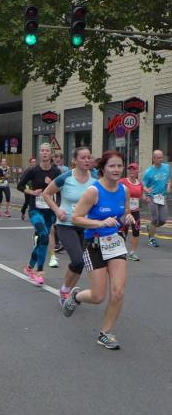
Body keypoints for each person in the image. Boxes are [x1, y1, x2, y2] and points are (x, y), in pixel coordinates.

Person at [63, 150, 134, 350]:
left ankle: (105, 333)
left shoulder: (124, 190)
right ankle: (76, 296)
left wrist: (127, 218)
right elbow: (76, 218)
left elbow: (124, 213)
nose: (116, 169)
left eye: (119, 165)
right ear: (103, 168)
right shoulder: (93, 191)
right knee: (97, 296)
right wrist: (99, 223)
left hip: (116, 243)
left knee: (118, 291)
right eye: (112, 166)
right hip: (94, 245)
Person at [42, 146, 96, 305]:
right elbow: (46, 193)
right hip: (66, 224)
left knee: (80, 263)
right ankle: (65, 290)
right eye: (83, 158)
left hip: (86, 226)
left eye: (89, 157)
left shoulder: (95, 180)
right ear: (74, 160)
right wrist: (57, 210)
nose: (87, 160)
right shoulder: (65, 178)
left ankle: (66, 290)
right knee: (78, 260)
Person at [17, 143, 61, 286]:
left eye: (47, 151)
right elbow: (20, 186)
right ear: (39, 153)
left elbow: (62, 189)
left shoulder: (56, 171)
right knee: (43, 235)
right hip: (35, 209)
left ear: (51, 154)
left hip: (50, 211)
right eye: (42, 150)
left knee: (43, 240)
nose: (44, 153)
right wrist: (32, 192)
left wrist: (52, 184)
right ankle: (40, 272)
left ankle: (29, 267)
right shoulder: (33, 170)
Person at [143, 149, 170, 248]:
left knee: (162, 220)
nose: (161, 159)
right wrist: (146, 193)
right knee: (154, 219)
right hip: (152, 197)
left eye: (162, 157)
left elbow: (168, 178)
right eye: (158, 158)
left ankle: (150, 227)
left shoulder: (166, 167)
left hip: (162, 197)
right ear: (153, 158)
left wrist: (168, 185)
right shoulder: (148, 172)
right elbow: (143, 185)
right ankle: (152, 239)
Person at [119, 163, 145, 261]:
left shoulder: (140, 184)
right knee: (123, 231)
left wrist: (146, 198)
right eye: (130, 169)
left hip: (135, 211)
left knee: (136, 231)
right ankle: (121, 251)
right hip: (125, 211)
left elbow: (141, 196)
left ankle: (133, 253)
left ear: (138, 171)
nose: (132, 171)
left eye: (134, 169)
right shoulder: (123, 181)